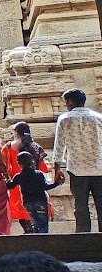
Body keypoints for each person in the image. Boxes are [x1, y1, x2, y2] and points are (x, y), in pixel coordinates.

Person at [52, 88, 102, 233]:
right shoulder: (99, 118)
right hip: (99, 168)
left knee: (80, 206)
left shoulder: (65, 119)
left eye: (66, 102)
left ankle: (83, 237)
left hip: (77, 170)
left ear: (70, 101)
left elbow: (59, 146)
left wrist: (57, 170)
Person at [3, 123, 49, 233]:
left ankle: (28, 231)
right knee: (40, 219)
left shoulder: (8, 148)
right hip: (36, 186)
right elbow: (44, 168)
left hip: (17, 186)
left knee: (22, 211)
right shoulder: (35, 147)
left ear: (16, 133)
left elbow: (4, 166)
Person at [7, 151, 64, 235]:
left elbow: (10, 186)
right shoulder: (38, 174)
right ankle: (43, 242)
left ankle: (37, 241)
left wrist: (4, 178)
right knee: (43, 224)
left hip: (28, 203)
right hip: (40, 201)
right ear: (32, 162)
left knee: (35, 223)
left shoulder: (18, 176)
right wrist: (56, 183)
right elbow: (45, 187)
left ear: (19, 164)